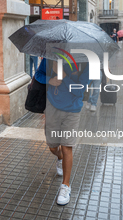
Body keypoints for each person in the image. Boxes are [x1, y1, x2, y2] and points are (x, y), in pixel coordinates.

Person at [35, 58, 89, 206]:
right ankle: (59, 158)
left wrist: (63, 76)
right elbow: (38, 74)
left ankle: (66, 186)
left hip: (72, 110)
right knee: (53, 146)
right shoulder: (51, 56)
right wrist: (49, 80)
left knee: (67, 147)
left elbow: (80, 89)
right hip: (52, 106)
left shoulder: (85, 61)